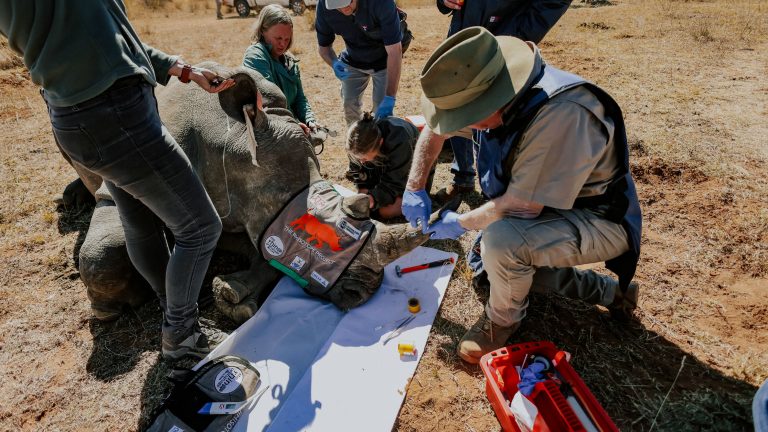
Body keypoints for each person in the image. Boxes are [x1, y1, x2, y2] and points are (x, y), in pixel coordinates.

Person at [0, 1, 236, 361]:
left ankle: (169, 305)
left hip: (76, 116)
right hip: (116, 116)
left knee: (138, 219)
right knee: (200, 228)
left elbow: (107, 36)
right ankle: (182, 338)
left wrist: (183, 69)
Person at [402, 27, 642, 364]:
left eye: (469, 118)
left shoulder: (562, 113)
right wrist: (414, 187)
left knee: (501, 243)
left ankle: (501, 323)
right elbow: (435, 129)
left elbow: (521, 206)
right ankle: (612, 294)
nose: (467, 126)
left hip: (598, 216)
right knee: (489, 266)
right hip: (548, 202)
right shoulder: (495, 94)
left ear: (494, 98)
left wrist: (461, 222)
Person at [433, 0, 573, 203]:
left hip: (504, 39)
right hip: (464, 36)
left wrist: (516, 35)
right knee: (459, 102)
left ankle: (497, 189)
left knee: (495, 113)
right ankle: (463, 175)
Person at [315, 0, 403, 126]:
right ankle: (356, 142)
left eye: (348, 2)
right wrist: (334, 63)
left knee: (381, 113)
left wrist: (390, 96)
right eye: (337, 6)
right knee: (349, 107)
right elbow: (324, 48)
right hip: (352, 59)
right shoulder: (324, 6)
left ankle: (382, 141)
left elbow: (395, 51)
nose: (344, 8)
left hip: (384, 61)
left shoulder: (381, 3)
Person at [243, 5, 317, 135]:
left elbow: (300, 98)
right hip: (265, 132)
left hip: (289, 125)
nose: (283, 44)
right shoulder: (255, 56)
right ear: (262, 31)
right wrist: (293, 123)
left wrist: (310, 120)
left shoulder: (290, 61)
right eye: (278, 38)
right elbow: (271, 100)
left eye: (287, 39)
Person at [345, 112, 418, 220]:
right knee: (363, 202)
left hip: (409, 171)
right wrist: (363, 191)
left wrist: (373, 200)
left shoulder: (400, 141)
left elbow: (396, 184)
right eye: (357, 158)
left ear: (380, 142)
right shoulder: (357, 143)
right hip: (381, 165)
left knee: (385, 212)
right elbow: (360, 174)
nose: (360, 162)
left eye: (364, 158)